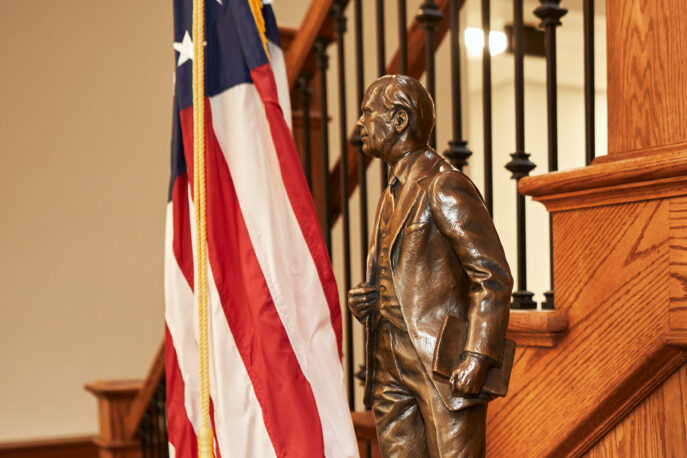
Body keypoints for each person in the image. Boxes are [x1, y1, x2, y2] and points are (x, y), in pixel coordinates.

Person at [348, 75, 513, 457]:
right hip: (388, 363)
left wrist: (477, 355)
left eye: (367, 113)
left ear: (400, 119)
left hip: (440, 365)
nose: (360, 124)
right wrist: (369, 299)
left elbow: (492, 277)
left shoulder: (443, 185)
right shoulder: (391, 191)